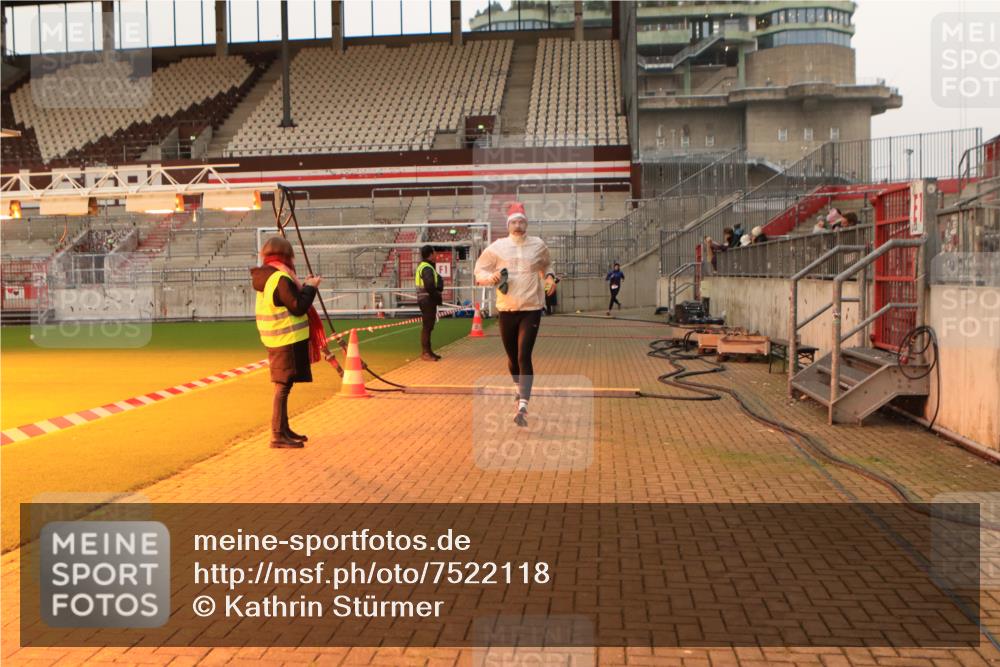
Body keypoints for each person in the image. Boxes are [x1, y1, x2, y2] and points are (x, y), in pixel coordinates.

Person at [474, 201, 551, 427]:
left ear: (527, 224)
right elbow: (480, 271)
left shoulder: (538, 245)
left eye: (522, 221)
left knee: (523, 355)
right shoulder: (498, 247)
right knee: (511, 358)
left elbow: (548, 266)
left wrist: (550, 278)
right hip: (506, 309)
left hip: (531, 309)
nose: (518, 225)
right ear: (508, 225)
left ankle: (523, 405)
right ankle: (519, 388)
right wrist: (492, 278)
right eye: (514, 222)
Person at [251, 236, 324, 449]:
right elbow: (297, 306)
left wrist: (305, 287)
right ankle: (277, 434)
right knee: (282, 387)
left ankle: (283, 428)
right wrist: (310, 287)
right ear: (286, 255)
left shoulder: (268, 276)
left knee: (284, 386)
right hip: (286, 340)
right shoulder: (280, 278)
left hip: (277, 338)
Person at [415, 245, 444, 361]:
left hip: (425, 299)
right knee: (427, 326)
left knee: (429, 326)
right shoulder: (426, 268)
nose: (436, 255)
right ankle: (426, 353)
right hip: (427, 299)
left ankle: (428, 352)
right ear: (430, 254)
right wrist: (437, 295)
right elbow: (430, 286)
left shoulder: (425, 266)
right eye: (434, 252)